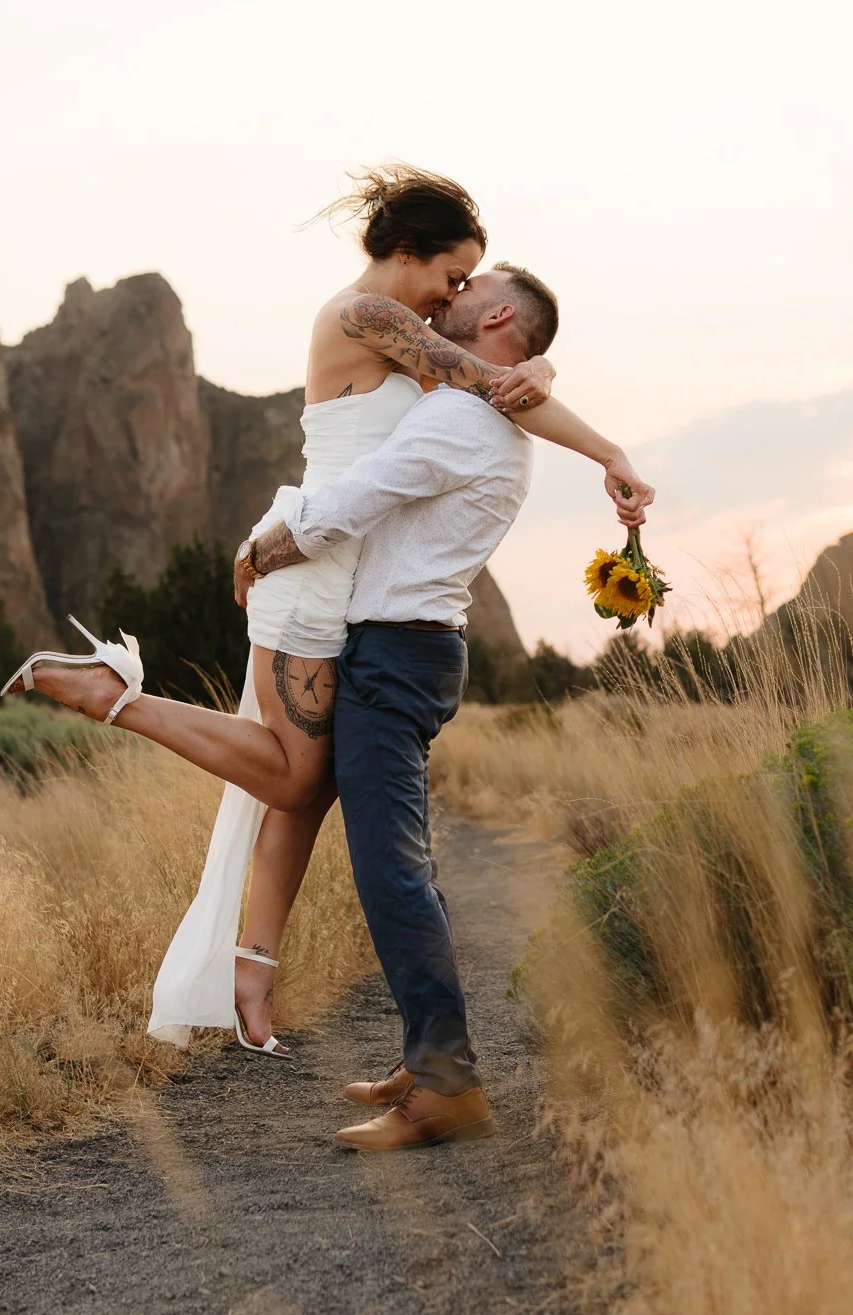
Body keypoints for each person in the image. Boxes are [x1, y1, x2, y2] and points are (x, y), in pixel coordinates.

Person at [1, 167, 653, 1062]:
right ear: (408, 252)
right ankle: (115, 695)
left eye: (467, 287)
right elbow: (490, 381)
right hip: (307, 564)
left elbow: (490, 379)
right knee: (293, 779)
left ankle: (249, 977)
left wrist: (539, 364)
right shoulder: (366, 317)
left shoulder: (406, 331)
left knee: (306, 789)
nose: (453, 296)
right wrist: (599, 438)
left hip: (342, 574)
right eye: (451, 276)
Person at [234, 265, 650, 1149]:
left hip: (394, 654)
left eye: (471, 285)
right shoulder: (482, 408)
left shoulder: (464, 419)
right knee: (405, 862)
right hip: (410, 650)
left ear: (496, 315)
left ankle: (445, 1088)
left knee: (389, 870)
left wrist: (264, 552)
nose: (446, 296)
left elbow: (356, 498)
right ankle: (429, 1051)